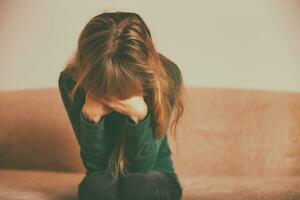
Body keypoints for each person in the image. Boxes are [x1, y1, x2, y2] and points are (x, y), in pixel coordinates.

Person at [58, 11, 186, 200]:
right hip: (104, 176)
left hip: (153, 176)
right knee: (96, 187)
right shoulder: (71, 82)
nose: (112, 94)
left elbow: (141, 168)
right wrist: (91, 119)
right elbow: (96, 167)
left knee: (137, 186)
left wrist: (140, 117)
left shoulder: (167, 76)